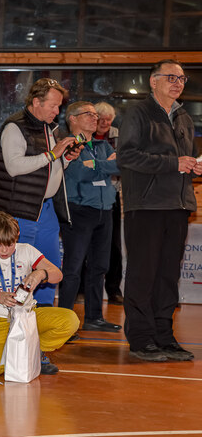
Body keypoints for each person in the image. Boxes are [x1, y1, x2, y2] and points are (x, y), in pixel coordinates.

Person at [117, 60, 199, 362]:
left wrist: (193, 165)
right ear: (153, 82)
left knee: (168, 276)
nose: (178, 83)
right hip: (146, 206)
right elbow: (126, 157)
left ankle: (164, 336)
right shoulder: (138, 113)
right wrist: (173, 163)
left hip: (178, 205)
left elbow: (184, 159)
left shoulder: (183, 117)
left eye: (182, 78)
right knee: (143, 275)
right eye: (171, 77)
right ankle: (141, 339)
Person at [0, 78, 81, 307]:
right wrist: (53, 154)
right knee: (20, 266)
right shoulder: (15, 127)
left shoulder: (48, 127)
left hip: (46, 207)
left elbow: (48, 167)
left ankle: (44, 312)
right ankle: (16, 313)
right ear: (36, 102)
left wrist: (66, 158)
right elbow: (14, 167)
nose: (57, 111)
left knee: (49, 265)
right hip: (21, 208)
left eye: (59, 106)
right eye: (53, 105)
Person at [0, 212, 79, 376]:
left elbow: (58, 275)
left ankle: (35, 350)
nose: (4, 250)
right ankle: (18, 352)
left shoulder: (27, 251)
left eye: (10, 244)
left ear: (17, 236)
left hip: (27, 316)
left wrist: (41, 273)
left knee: (70, 320)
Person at [57, 101, 121, 332]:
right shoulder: (67, 146)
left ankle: (94, 318)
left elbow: (120, 166)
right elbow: (80, 173)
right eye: (89, 114)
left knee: (100, 266)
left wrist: (95, 164)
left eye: (96, 115)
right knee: (73, 268)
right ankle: (64, 322)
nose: (95, 118)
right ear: (72, 119)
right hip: (79, 211)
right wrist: (104, 165)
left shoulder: (102, 145)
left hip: (105, 211)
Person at [94, 101, 124, 305]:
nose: (105, 123)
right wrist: (107, 164)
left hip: (112, 194)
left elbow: (122, 163)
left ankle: (113, 289)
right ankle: (83, 289)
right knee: (87, 243)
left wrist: (101, 165)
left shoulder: (119, 136)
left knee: (114, 244)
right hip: (87, 196)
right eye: (101, 119)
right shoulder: (85, 135)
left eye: (108, 119)